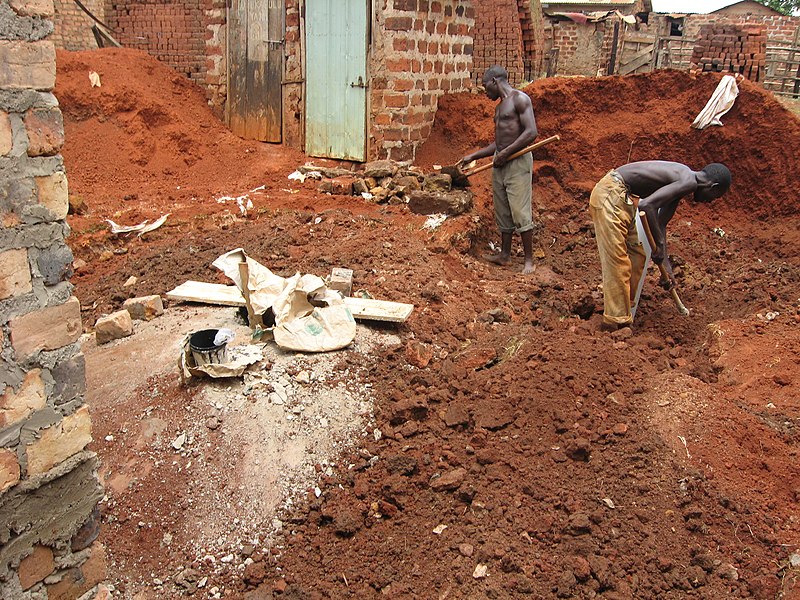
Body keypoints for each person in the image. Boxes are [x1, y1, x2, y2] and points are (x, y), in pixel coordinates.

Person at [589, 161, 731, 330]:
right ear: (713, 187)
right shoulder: (688, 182)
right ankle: (615, 322)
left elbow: (661, 224)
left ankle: (624, 307)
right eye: (714, 197)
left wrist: (667, 268)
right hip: (611, 194)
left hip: (620, 197)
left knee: (637, 255)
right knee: (618, 261)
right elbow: (646, 205)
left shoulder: (684, 179)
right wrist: (660, 245)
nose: (709, 201)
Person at [462, 65, 538, 274]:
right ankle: (504, 255)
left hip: (517, 161)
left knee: (519, 210)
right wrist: (474, 155)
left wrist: (505, 155)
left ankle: (528, 260)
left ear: (495, 81)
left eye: (486, 86)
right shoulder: (499, 108)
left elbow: (531, 132)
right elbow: (499, 143)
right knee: (502, 208)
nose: (485, 91)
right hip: (501, 161)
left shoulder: (519, 99)